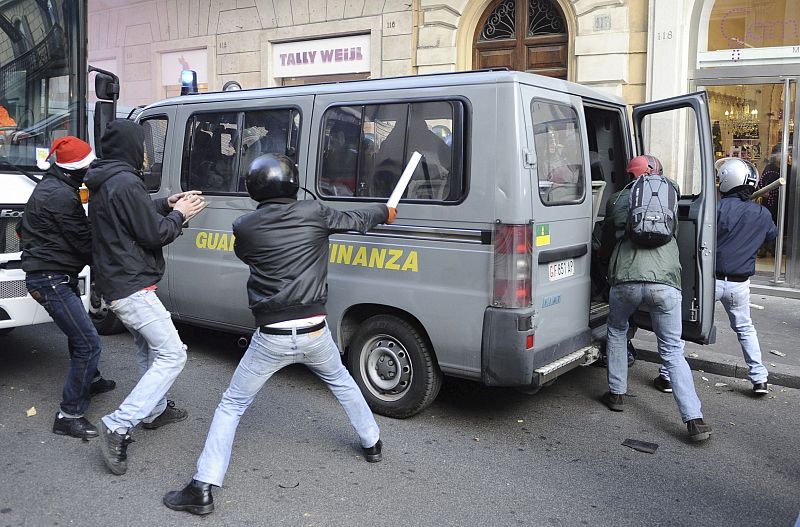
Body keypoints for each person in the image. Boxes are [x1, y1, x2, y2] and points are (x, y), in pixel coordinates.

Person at [163, 154, 396, 515]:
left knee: (232, 405)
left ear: (254, 188)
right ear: (292, 182)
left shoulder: (245, 226)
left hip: (271, 336)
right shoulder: (315, 213)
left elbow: (247, 255)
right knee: (342, 383)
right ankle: (373, 443)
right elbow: (361, 218)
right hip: (316, 331)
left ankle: (203, 487)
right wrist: (386, 213)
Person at [84, 119, 206, 475]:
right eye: (142, 144)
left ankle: (153, 411)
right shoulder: (125, 181)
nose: (146, 152)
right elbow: (153, 235)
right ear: (131, 147)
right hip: (131, 285)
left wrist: (164, 202)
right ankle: (119, 425)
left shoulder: (107, 179)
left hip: (118, 281)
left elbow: (131, 215)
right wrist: (181, 215)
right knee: (172, 354)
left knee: (147, 349)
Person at [599, 155, 711, 443]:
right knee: (672, 350)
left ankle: (617, 393)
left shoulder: (619, 198)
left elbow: (609, 239)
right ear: (656, 173)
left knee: (617, 331)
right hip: (664, 283)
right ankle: (694, 420)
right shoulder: (670, 190)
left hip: (625, 279)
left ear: (629, 175)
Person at [17, 137, 115, 440]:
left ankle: (91, 379)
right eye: (86, 168)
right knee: (88, 342)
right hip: (49, 278)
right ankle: (69, 414)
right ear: (73, 171)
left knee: (79, 332)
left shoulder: (53, 185)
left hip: (54, 274)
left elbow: (22, 228)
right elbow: (85, 243)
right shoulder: (60, 196)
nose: (90, 172)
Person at [654, 158, 777, 397]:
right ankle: (760, 378)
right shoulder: (761, 213)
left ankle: (667, 376)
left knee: (684, 326)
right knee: (745, 328)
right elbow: (771, 235)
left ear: (728, 181)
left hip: (708, 282)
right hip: (740, 285)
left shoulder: (715, 209)